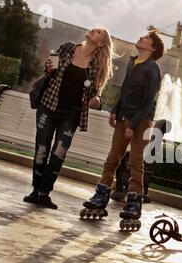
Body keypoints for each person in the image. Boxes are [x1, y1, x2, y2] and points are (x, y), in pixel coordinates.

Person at [23, 28, 115, 209]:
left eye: (97, 32)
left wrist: (96, 98)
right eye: (93, 29)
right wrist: (48, 68)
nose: (92, 31)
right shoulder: (66, 48)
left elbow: (94, 90)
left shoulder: (96, 64)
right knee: (41, 149)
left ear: (101, 43)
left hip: (71, 114)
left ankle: (44, 193)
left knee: (58, 155)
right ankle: (35, 191)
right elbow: (48, 70)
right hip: (48, 107)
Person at [83, 31, 164, 221]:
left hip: (141, 121)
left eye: (146, 38)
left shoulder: (153, 68)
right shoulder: (132, 62)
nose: (141, 38)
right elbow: (125, 89)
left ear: (152, 48)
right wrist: (115, 110)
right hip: (123, 117)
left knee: (135, 163)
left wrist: (133, 125)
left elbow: (148, 100)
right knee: (112, 158)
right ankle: (101, 195)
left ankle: (134, 202)